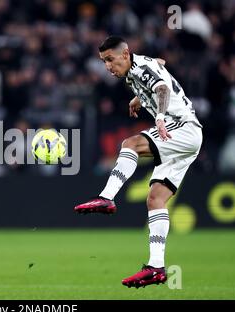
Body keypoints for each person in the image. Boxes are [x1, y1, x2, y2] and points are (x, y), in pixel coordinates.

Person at [74, 36, 203, 288]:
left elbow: (162, 89)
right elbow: (160, 62)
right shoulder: (138, 67)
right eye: (103, 62)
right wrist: (140, 98)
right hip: (190, 140)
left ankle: (106, 197)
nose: (108, 67)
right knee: (155, 198)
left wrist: (160, 117)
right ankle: (156, 267)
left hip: (181, 127)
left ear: (125, 54)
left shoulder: (139, 69)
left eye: (110, 59)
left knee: (130, 144)